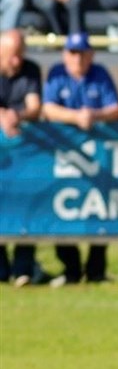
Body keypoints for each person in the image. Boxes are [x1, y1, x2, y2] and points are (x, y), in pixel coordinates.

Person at [42, 32, 118, 285]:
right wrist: (76, 117)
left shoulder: (99, 74)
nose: (77, 58)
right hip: (64, 159)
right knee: (61, 209)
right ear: (66, 55)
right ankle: (71, 270)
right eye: (73, 53)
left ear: (91, 54)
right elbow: (48, 108)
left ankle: (96, 271)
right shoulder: (57, 74)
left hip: (98, 158)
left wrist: (94, 115)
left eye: (82, 53)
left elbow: (115, 108)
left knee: (100, 207)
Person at [0, 28, 43, 286]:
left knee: (28, 209)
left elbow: (34, 106)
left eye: (20, 54)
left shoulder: (31, 69)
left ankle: (23, 267)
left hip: (25, 158)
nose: (17, 61)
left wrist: (18, 115)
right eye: (11, 55)